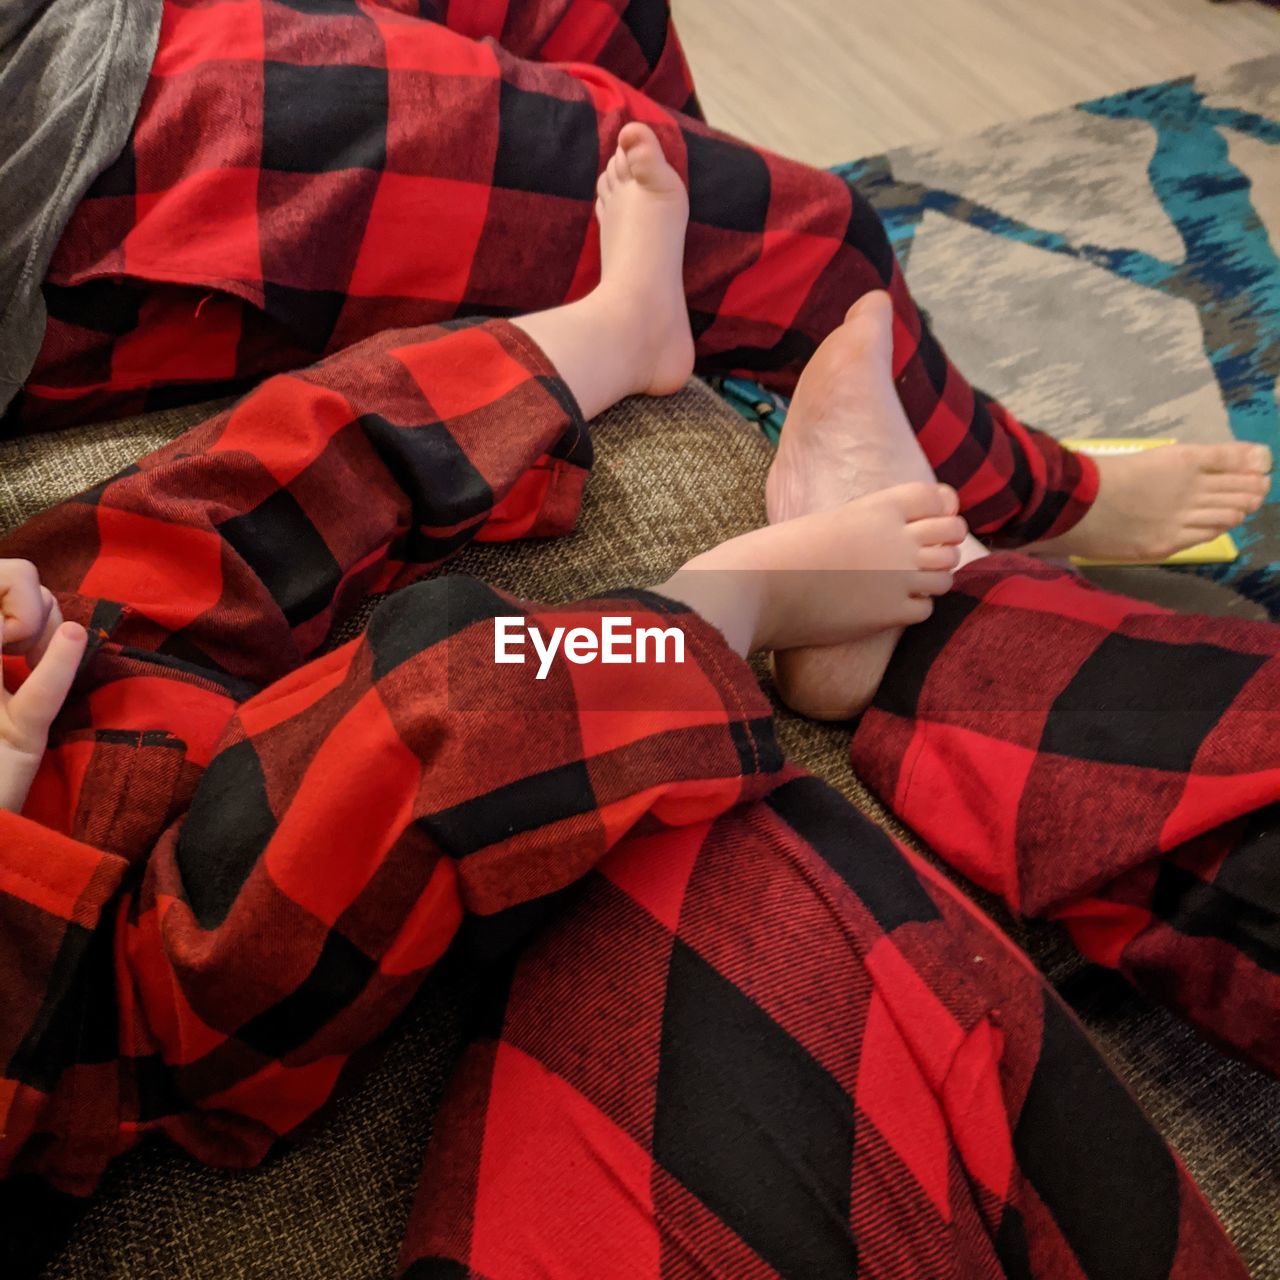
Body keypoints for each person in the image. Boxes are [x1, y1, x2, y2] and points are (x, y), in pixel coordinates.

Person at [0, 130, 1249, 1277]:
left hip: (63, 727)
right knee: (446, 700)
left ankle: (611, 330)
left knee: (234, 477)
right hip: (64, 984)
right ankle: (717, 612)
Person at [4, 0, 1270, 580]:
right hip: (57, 145)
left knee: (604, 23)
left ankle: (721, 350)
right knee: (811, 234)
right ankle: (1043, 505)